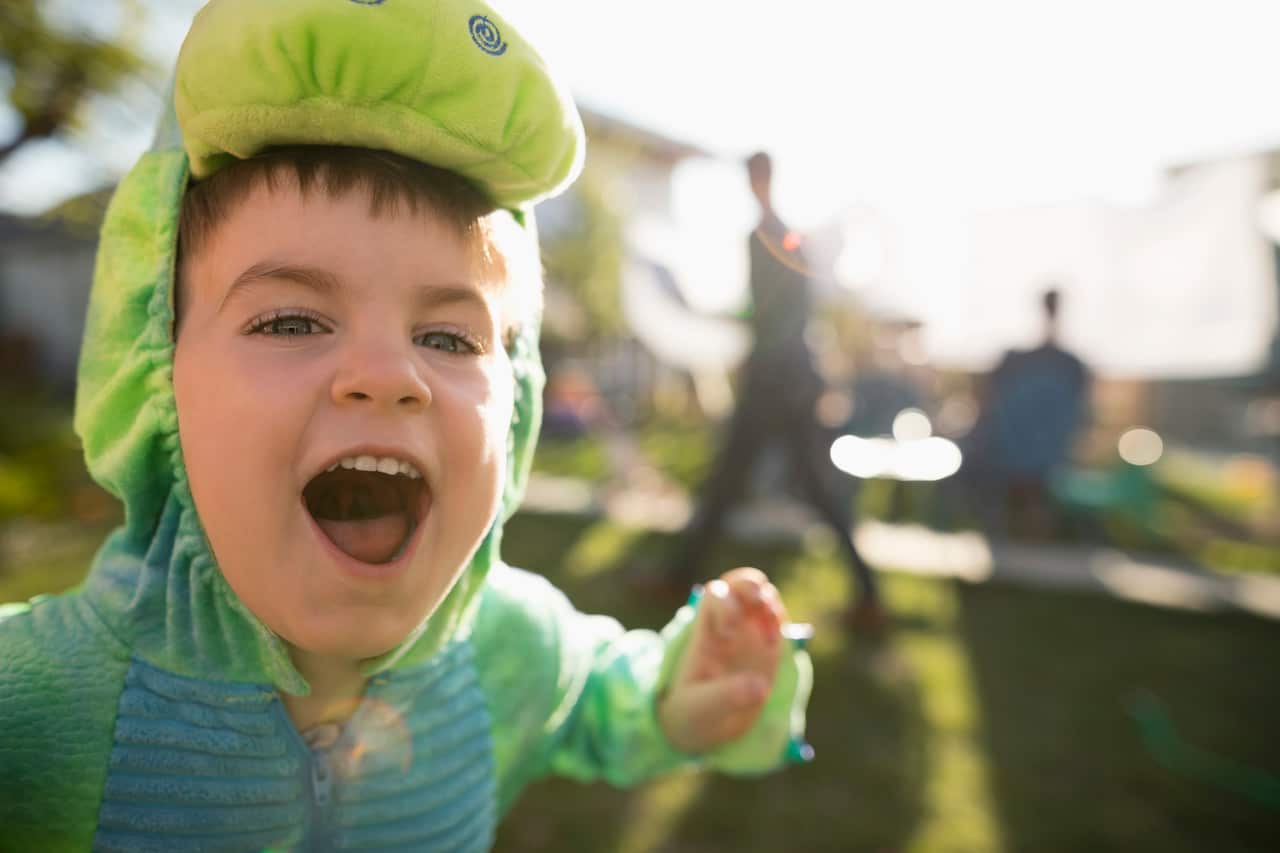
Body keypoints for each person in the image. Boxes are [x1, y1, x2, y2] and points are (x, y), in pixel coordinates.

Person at [0, 2, 812, 849]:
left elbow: (598, 697)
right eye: (290, 322)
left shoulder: (506, 647)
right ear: (154, 375)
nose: (390, 376)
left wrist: (677, 700)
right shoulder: (36, 707)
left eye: (448, 337)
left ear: (519, 397)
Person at [662, 151, 887, 633]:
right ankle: (869, 595)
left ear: (761, 179)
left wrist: (751, 342)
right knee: (786, 486)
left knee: (741, 482)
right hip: (793, 374)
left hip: (777, 378)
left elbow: (770, 312)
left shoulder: (769, 237)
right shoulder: (787, 236)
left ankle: (676, 574)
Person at [964, 287, 1090, 539]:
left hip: (1032, 452)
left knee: (1030, 492)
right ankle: (1016, 540)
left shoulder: (1065, 365)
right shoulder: (1041, 363)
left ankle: (1025, 541)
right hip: (1016, 449)